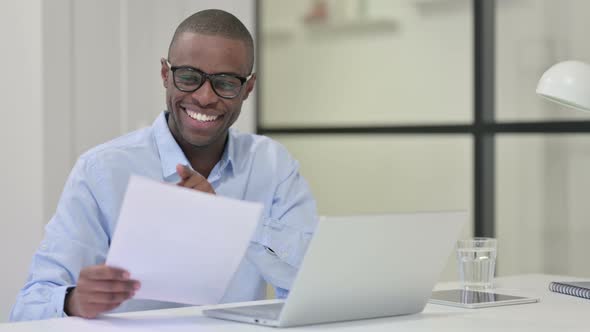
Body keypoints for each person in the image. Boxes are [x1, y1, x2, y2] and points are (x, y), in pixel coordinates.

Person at [10, 9, 317, 321]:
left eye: (225, 83)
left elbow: (313, 286)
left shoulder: (272, 164)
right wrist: (73, 301)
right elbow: (27, 309)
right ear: (165, 75)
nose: (204, 96)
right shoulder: (101, 170)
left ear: (247, 89)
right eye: (188, 77)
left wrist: (230, 220)